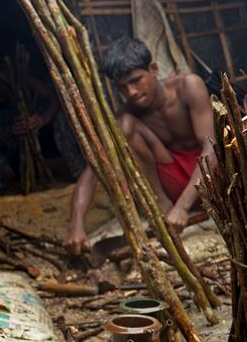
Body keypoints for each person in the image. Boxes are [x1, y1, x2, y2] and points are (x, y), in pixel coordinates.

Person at [62, 38, 216, 256]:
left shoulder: (188, 86)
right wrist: (75, 226)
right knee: (124, 127)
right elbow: (94, 168)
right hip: (171, 184)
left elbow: (212, 149)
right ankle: (162, 206)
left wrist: (182, 207)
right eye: (122, 87)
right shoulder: (128, 115)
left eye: (136, 81)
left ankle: (178, 209)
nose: (131, 92)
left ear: (153, 69)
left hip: (210, 178)